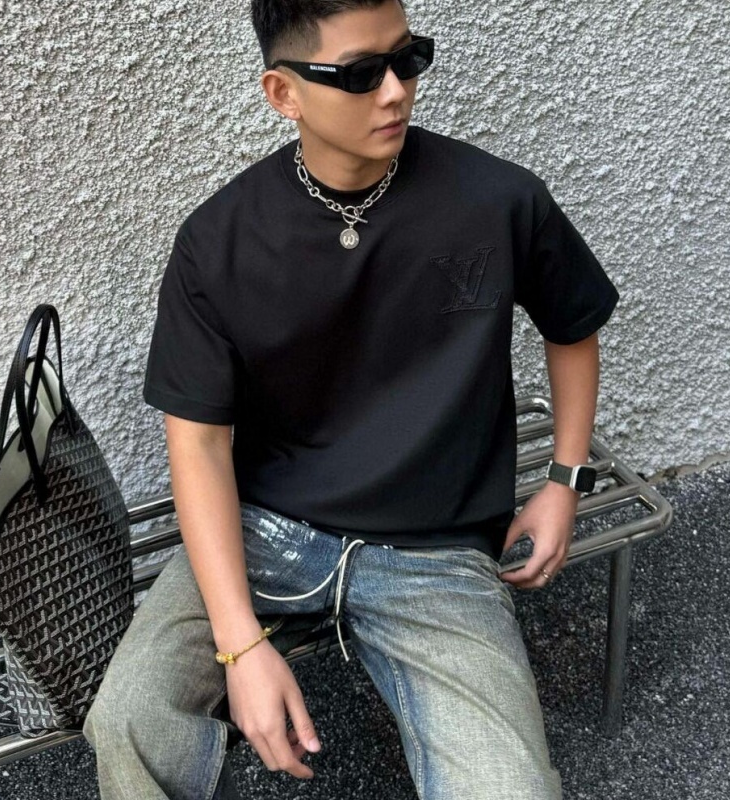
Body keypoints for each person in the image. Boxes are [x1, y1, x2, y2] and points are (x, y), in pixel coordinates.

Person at [83, 1, 618, 798]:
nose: (396, 90)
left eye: (409, 58)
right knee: (129, 721)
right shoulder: (219, 242)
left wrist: (564, 480)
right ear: (283, 93)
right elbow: (197, 444)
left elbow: (573, 324)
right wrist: (240, 648)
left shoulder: (496, 200)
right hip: (262, 527)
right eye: (362, 73)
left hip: (434, 546)